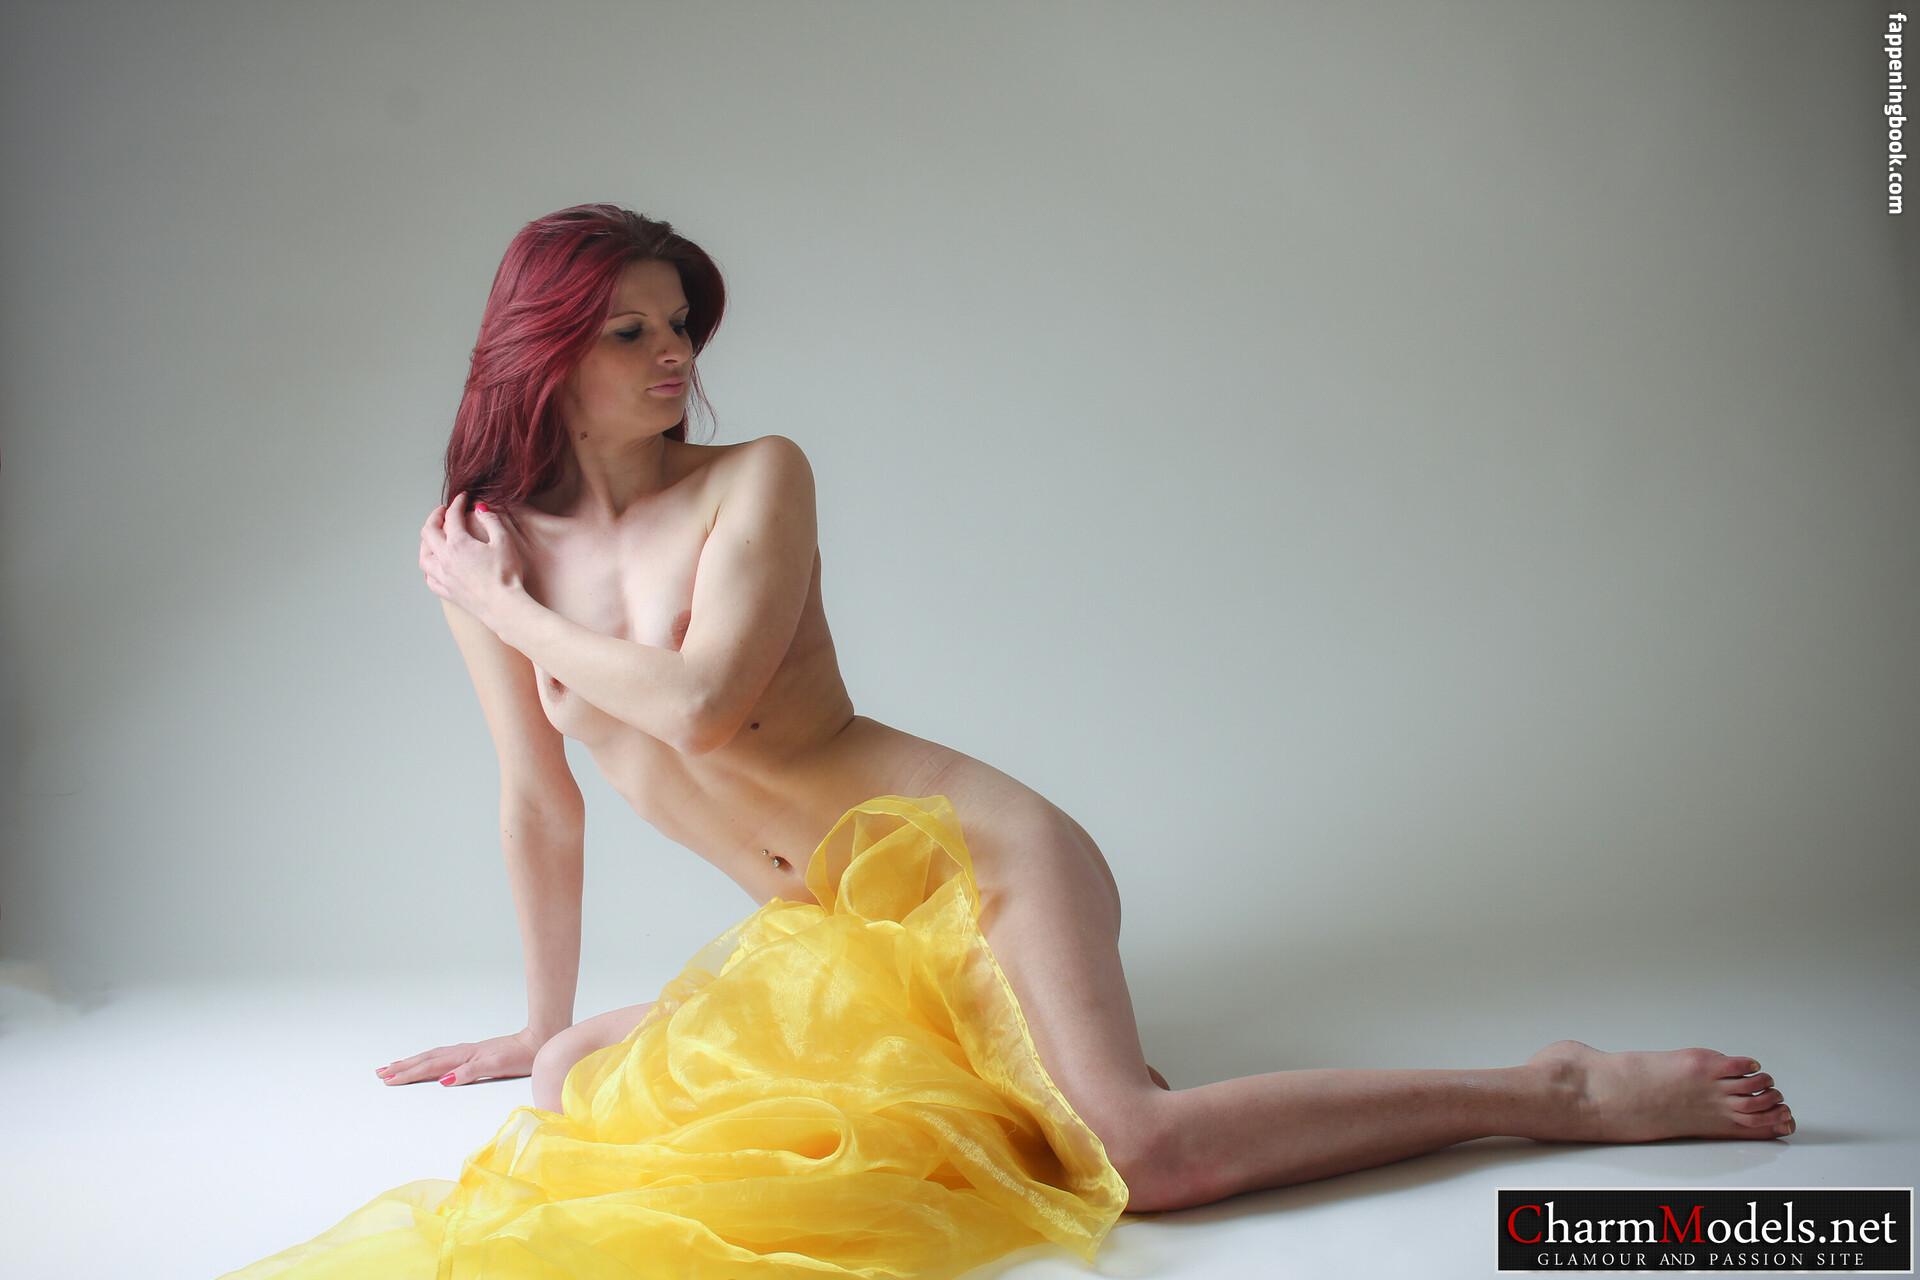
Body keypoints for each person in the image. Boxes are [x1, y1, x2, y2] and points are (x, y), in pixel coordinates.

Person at [356, 202, 1787, 1256]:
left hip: (983, 863)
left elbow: (703, 706)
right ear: (547, 348)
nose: (675, 354)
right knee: (573, 1077)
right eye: (632, 331)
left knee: (1141, 1160)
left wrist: (511, 611)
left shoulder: (750, 481)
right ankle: (1019, 1077)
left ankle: (1555, 1090)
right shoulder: (487, 552)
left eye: (681, 324)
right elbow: (539, 801)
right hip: (838, 933)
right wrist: (535, 1020)